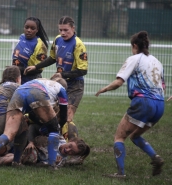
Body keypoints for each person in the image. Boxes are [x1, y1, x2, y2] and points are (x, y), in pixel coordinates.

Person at [95, 31, 165, 178]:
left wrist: (105, 89)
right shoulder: (157, 62)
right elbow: (162, 86)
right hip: (160, 105)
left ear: (134, 45)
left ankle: (120, 173)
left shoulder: (135, 58)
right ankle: (155, 157)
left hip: (144, 102)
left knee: (119, 136)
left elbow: (119, 82)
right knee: (134, 135)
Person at [0, 77, 69, 169]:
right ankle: (52, 165)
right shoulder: (61, 89)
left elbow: (33, 113)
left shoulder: (42, 80)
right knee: (54, 129)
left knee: (8, 134)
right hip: (37, 93)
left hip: (19, 92)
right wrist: (51, 128)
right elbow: (64, 117)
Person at [24, 16, 88, 140]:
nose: (63, 33)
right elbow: (52, 58)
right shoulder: (58, 40)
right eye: (60, 30)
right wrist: (36, 66)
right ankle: (50, 142)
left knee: (67, 118)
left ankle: (70, 145)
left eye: (66, 30)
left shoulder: (78, 44)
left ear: (73, 28)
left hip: (75, 86)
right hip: (59, 84)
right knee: (54, 116)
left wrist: (62, 74)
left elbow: (83, 70)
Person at [12, 17, 49, 84]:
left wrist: (19, 69)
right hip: (17, 77)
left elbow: (39, 69)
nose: (29, 30)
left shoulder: (40, 45)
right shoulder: (22, 37)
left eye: (32, 28)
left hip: (31, 81)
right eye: (26, 27)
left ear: (37, 30)